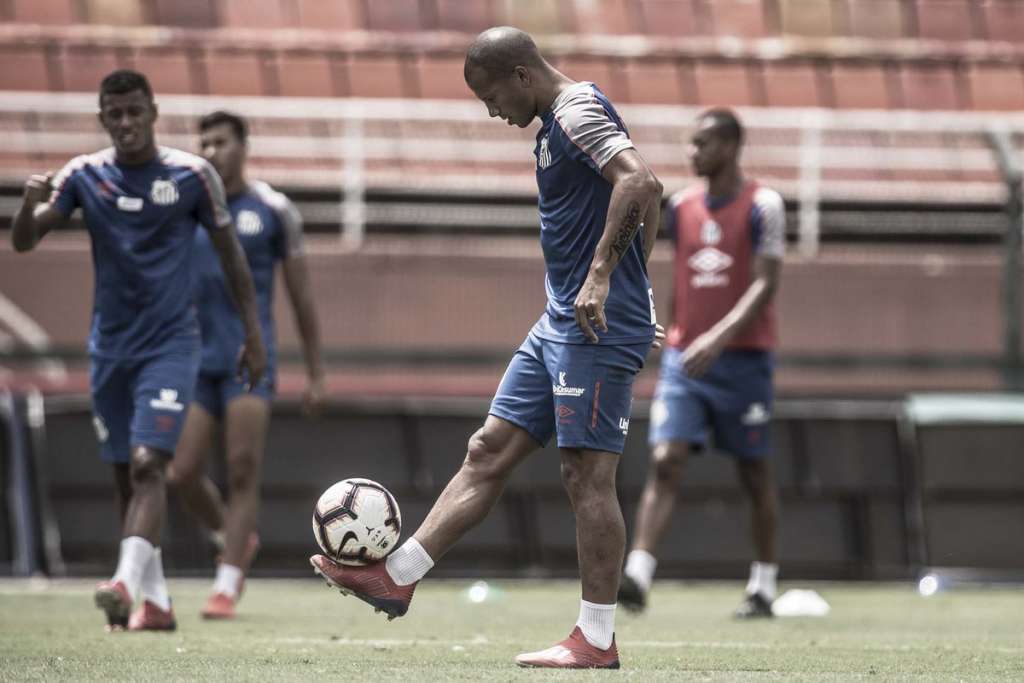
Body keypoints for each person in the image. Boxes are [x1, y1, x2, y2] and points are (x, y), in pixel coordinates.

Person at [309, 26, 663, 670]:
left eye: (492, 96)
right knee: (487, 448)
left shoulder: (577, 110)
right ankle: (399, 575)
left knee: (586, 473)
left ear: (523, 75)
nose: (493, 111)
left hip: (595, 324)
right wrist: (628, 275)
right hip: (560, 319)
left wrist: (611, 280)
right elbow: (642, 199)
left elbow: (641, 183)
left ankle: (597, 639)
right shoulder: (552, 126)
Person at [10, 70, 266, 632]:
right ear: (103, 118)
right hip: (109, 351)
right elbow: (26, 241)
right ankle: (158, 604)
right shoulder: (84, 175)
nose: (125, 123)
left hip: (172, 345)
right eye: (114, 114)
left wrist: (254, 336)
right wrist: (27, 207)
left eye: (134, 112)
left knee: (153, 465)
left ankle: (123, 582)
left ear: (153, 111)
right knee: (128, 477)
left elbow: (232, 259)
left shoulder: (193, 175)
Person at [618, 109, 785, 619]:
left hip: (745, 360)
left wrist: (719, 337)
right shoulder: (681, 206)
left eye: (704, 143)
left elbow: (766, 281)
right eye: (691, 144)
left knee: (753, 471)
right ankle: (639, 574)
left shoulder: (764, 205)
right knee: (666, 459)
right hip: (684, 358)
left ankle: (762, 585)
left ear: (732, 146)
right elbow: (678, 280)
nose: (693, 153)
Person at [167, 110, 325, 620]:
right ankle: (234, 536)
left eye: (221, 142)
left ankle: (227, 581)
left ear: (244, 146)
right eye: (204, 143)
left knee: (241, 468)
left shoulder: (273, 209)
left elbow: (301, 298)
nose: (211, 151)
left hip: (249, 361)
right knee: (183, 472)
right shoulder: (187, 208)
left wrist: (316, 372)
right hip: (194, 357)